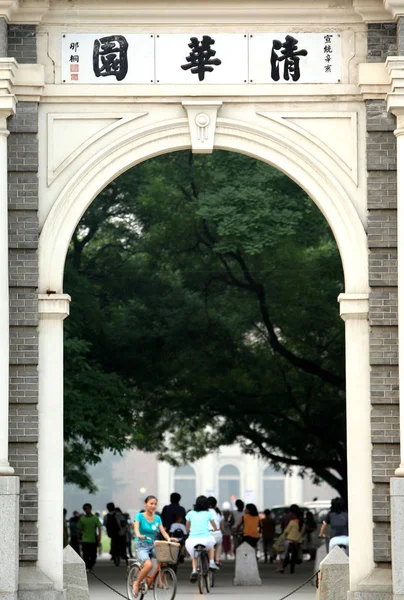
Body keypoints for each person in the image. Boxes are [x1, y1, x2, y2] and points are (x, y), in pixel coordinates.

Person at [132, 495, 174, 598]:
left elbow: (163, 531)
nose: (153, 506)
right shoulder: (139, 516)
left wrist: (169, 539)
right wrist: (138, 535)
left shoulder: (158, 518)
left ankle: (159, 580)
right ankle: (137, 583)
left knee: (164, 559)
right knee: (149, 565)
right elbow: (136, 528)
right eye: (151, 503)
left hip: (153, 544)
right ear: (145, 504)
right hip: (141, 545)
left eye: (155, 504)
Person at [186, 495, 219, 583]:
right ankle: (212, 562)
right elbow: (214, 525)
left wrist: (189, 530)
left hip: (192, 540)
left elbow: (187, 527)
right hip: (206, 539)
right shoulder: (208, 513)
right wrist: (215, 529)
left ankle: (194, 570)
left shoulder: (190, 513)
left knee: (195, 556)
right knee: (211, 545)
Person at [274, 505, 305, 574]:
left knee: (282, 551)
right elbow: (302, 533)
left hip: (288, 539)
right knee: (298, 550)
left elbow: (285, 530)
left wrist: (281, 537)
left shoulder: (289, 519)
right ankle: (298, 558)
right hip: (297, 541)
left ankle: (281, 566)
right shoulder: (302, 524)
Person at [77, 503, 101, 570]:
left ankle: (90, 565)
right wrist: (78, 538)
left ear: (90, 509)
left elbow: (99, 528)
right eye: (85, 509)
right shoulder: (82, 519)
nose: (87, 510)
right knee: (86, 555)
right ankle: (87, 566)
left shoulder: (95, 518)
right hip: (85, 540)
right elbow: (79, 529)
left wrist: (99, 537)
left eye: (88, 508)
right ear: (84, 510)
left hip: (93, 540)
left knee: (93, 556)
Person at [208, 496, 224, 565]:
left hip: (206, 534)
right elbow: (222, 526)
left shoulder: (204, 512)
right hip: (217, 534)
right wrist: (222, 531)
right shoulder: (219, 513)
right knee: (219, 544)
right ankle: (217, 559)